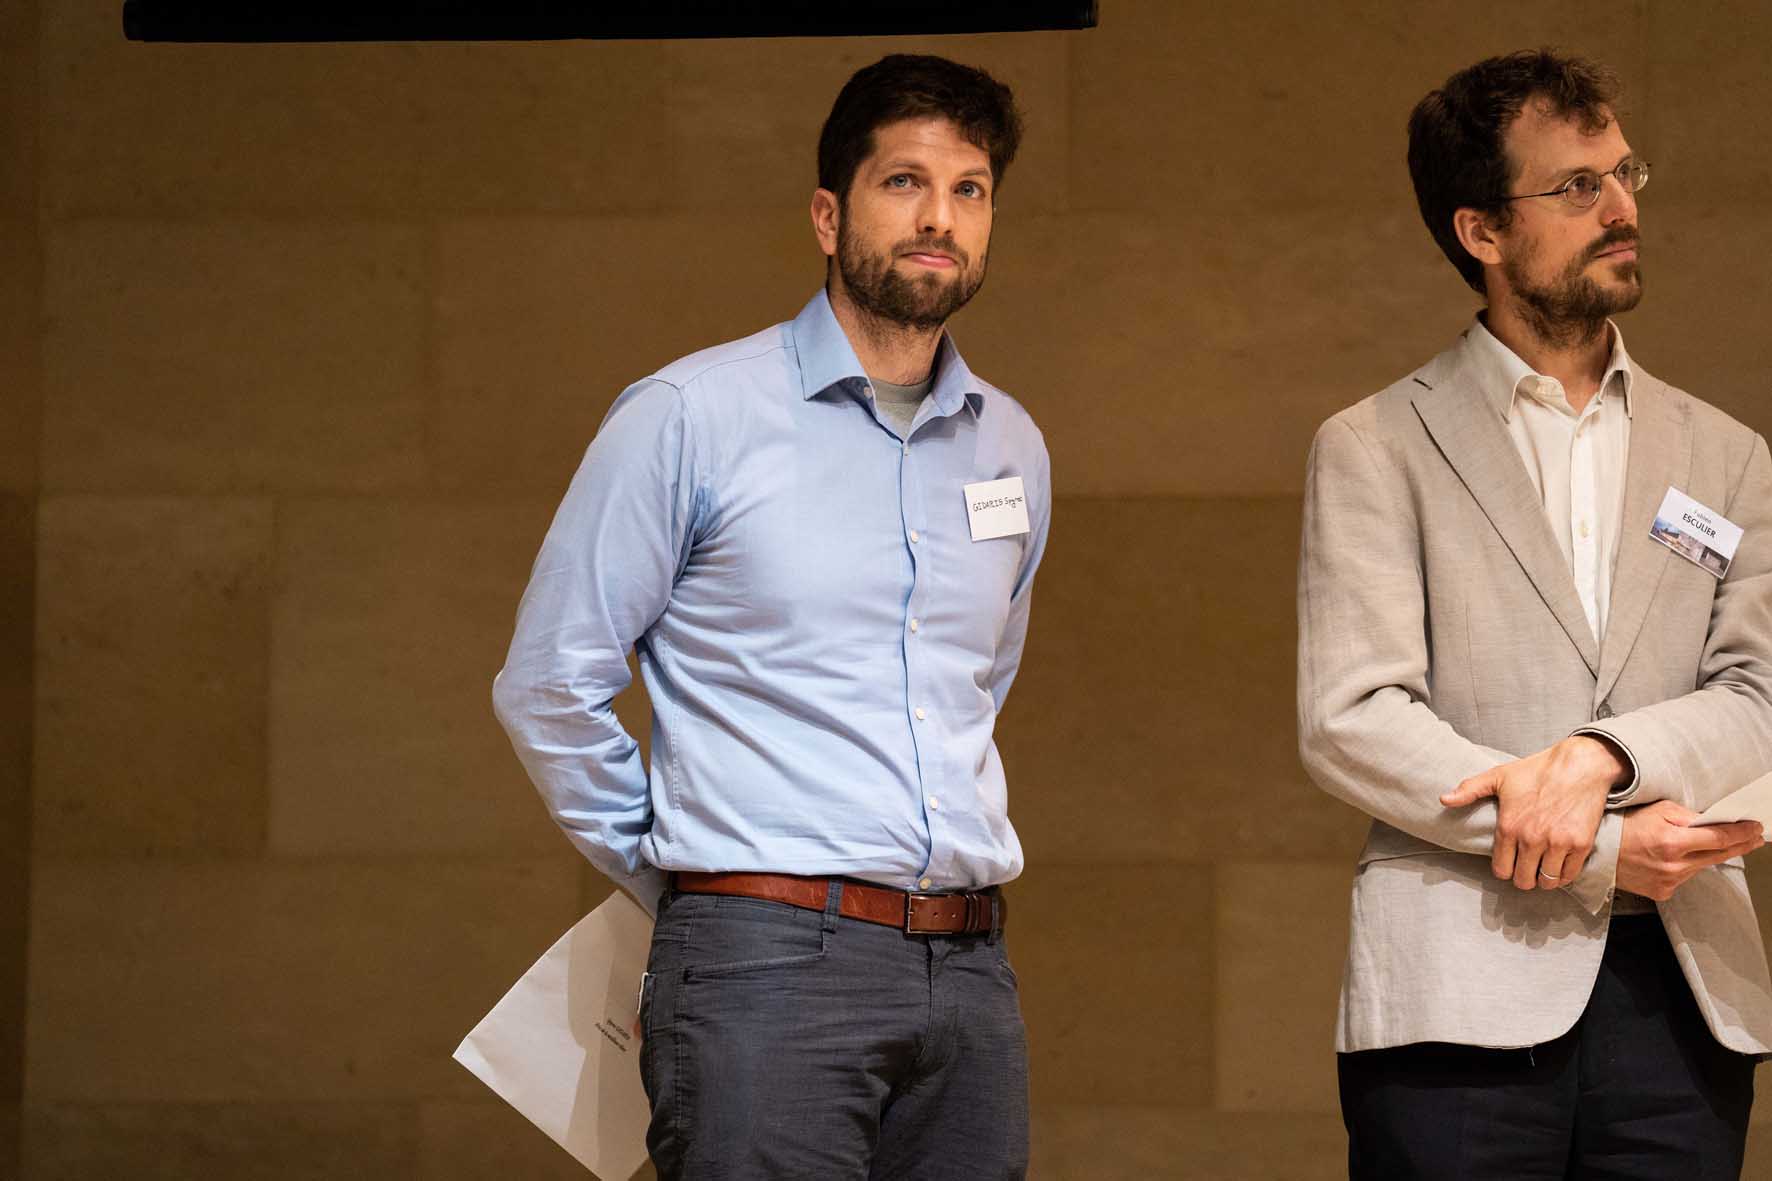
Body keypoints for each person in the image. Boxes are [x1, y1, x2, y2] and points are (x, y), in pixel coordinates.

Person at [493, 53, 1047, 1180]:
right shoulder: (689, 415)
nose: (939, 218)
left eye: (970, 189)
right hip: (763, 964)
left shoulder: (1011, 445)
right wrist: (693, 877)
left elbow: (975, 688)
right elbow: (549, 682)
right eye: (904, 182)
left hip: (971, 972)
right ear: (827, 215)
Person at [1297, 49, 1772, 1178]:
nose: (1620, 209)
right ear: (1481, 231)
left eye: (1624, 176)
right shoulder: (1373, 444)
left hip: (1687, 993)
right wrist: (1602, 845)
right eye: (1576, 187)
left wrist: (1605, 756)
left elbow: (1757, 696)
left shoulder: (1726, 452)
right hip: (1456, 993)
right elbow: (1351, 717)